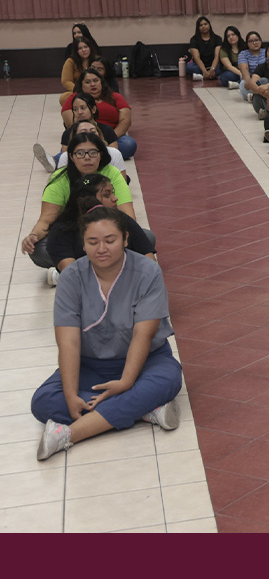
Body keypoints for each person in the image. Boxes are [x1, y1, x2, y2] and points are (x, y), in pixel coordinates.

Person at [31, 206, 182, 461]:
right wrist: (70, 395)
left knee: (168, 379)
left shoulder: (148, 272)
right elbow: (68, 342)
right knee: (44, 401)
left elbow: (143, 335)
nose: (101, 248)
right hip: (91, 366)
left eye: (110, 240)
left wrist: (126, 382)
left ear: (125, 239)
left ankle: (68, 434)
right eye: (92, 242)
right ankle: (145, 410)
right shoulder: (71, 278)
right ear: (83, 243)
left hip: (147, 361)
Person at [22, 132, 135, 273]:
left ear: (101, 154)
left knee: (145, 237)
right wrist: (33, 236)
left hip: (107, 234)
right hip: (71, 236)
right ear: (71, 157)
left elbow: (128, 215)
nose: (87, 157)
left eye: (93, 153)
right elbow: (46, 220)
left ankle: (69, 271)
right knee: (38, 249)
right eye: (80, 153)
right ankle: (84, 269)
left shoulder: (112, 173)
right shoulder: (60, 178)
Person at [46, 174, 156, 286]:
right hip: (90, 281)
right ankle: (58, 275)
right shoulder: (62, 230)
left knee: (148, 236)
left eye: (110, 240)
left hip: (123, 275)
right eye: (107, 195)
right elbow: (74, 276)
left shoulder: (120, 218)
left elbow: (149, 259)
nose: (115, 198)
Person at [33, 93, 118, 173]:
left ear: (93, 109)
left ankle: (54, 159)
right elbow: (68, 158)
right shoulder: (68, 133)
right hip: (79, 165)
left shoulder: (107, 130)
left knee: (125, 144)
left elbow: (112, 155)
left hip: (101, 163)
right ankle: (54, 160)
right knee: (63, 155)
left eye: (83, 108)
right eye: (75, 109)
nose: (79, 112)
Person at [61, 69, 137, 159]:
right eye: (88, 82)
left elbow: (125, 120)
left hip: (112, 136)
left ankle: (95, 154)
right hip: (82, 138)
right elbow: (71, 123)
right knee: (63, 156)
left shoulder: (115, 96)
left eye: (96, 80)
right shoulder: (74, 99)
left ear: (101, 82)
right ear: (82, 85)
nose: (93, 84)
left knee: (128, 144)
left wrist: (109, 137)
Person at [59, 37, 97, 105]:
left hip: (95, 89)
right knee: (63, 98)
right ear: (76, 51)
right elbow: (66, 81)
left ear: (90, 48)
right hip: (78, 91)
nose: (84, 50)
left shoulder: (97, 60)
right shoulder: (70, 61)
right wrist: (81, 90)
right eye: (80, 48)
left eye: (86, 47)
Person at [249, 41, 269, 120]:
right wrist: (260, 90)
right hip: (260, 103)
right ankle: (268, 111)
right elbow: (252, 84)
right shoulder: (261, 67)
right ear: (266, 53)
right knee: (262, 81)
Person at [186, 16, 223, 81]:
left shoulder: (217, 38)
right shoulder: (194, 40)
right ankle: (210, 75)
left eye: (205, 24)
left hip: (214, 66)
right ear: (198, 28)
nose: (203, 26)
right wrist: (204, 71)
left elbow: (217, 56)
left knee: (223, 66)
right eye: (201, 25)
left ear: (209, 25)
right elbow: (196, 58)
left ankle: (203, 76)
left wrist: (212, 69)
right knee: (189, 67)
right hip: (199, 67)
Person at [237, 31, 267, 103]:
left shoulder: (266, 52)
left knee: (264, 81)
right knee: (242, 84)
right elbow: (244, 68)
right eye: (251, 41)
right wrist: (248, 80)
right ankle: (260, 97)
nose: (254, 43)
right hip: (250, 80)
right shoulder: (243, 53)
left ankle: (254, 97)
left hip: (264, 79)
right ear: (247, 44)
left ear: (260, 41)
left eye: (256, 40)